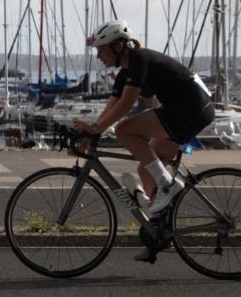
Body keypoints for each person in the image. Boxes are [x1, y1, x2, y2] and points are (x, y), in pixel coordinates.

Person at [71, 20, 215, 259]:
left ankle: (168, 185)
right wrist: (87, 138)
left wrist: (96, 129)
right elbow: (112, 107)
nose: (98, 56)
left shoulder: (138, 59)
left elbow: (126, 106)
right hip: (186, 111)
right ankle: (158, 233)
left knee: (124, 130)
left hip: (191, 107)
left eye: (101, 50)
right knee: (147, 167)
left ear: (118, 47)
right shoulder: (126, 73)